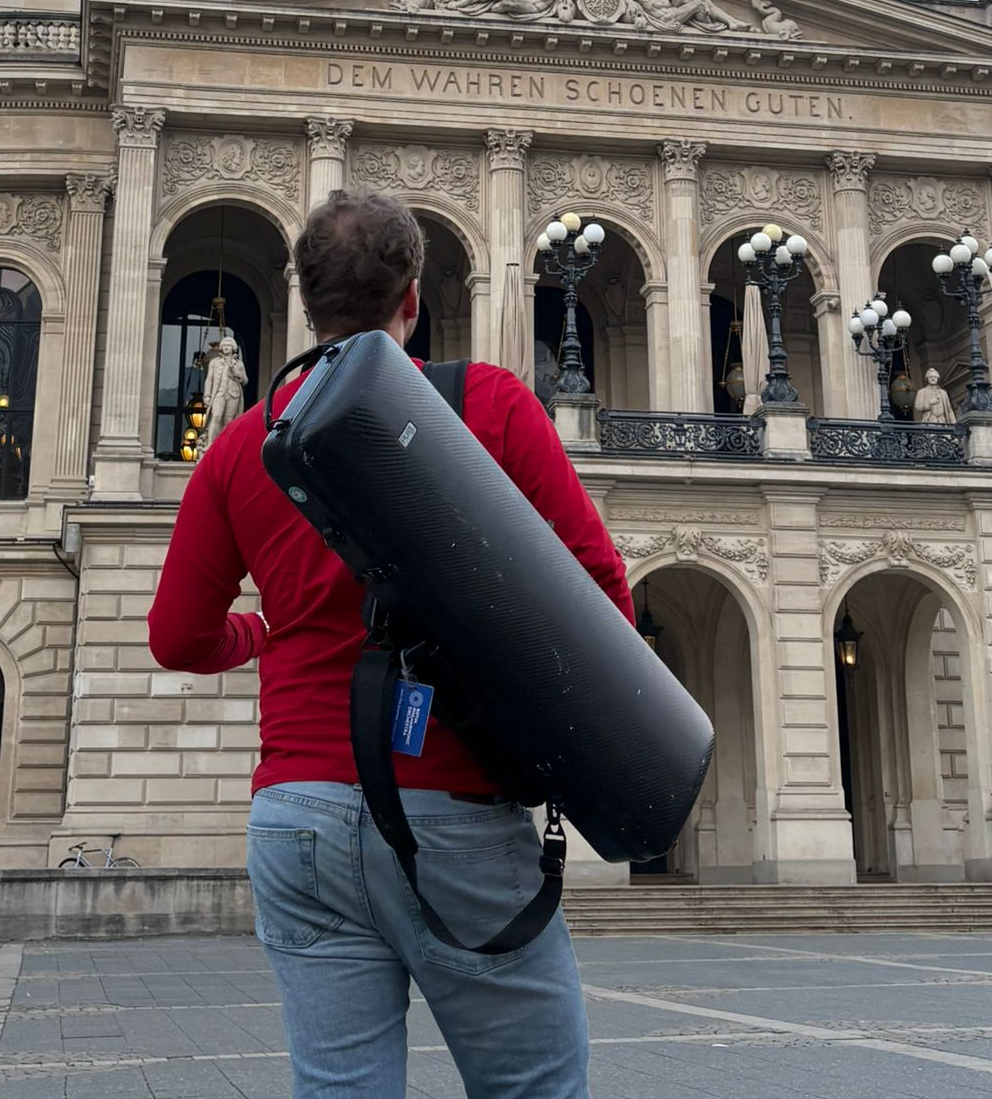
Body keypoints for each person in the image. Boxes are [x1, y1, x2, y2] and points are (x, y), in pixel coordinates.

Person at [148, 189, 631, 1099]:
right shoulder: (488, 405)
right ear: (412, 297)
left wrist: (258, 632)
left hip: (297, 813)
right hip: (453, 808)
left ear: (305, 303)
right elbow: (601, 594)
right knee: (533, 1085)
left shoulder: (240, 449)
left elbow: (176, 638)